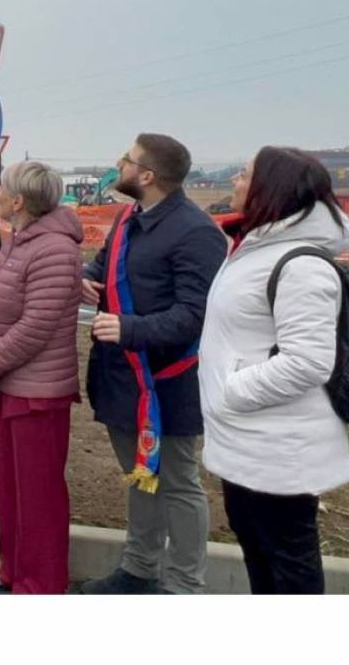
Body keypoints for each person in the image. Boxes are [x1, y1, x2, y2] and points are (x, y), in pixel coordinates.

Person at [79, 133, 227, 594]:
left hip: (169, 383)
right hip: (123, 377)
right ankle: (139, 569)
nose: (118, 163)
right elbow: (102, 266)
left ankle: (183, 586)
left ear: (147, 176)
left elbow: (194, 314)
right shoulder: (129, 216)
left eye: (127, 159)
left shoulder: (195, 231)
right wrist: (86, 279)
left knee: (178, 483)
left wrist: (129, 329)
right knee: (140, 476)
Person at [199, 147, 349, 594]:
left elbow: (308, 360)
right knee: (258, 549)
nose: (236, 182)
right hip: (247, 436)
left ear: (271, 189)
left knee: (288, 559)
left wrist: (233, 389)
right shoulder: (255, 248)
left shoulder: (301, 264)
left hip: (280, 445)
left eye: (244, 175)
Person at [0, 162, 82, 593]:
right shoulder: (16, 241)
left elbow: (38, 324)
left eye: (2, 187)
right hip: (8, 383)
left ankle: (42, 583)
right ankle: (13, 566)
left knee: (39, 494)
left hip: (38, 392)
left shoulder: (54, 249)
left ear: (18, 201)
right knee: (13, 490)